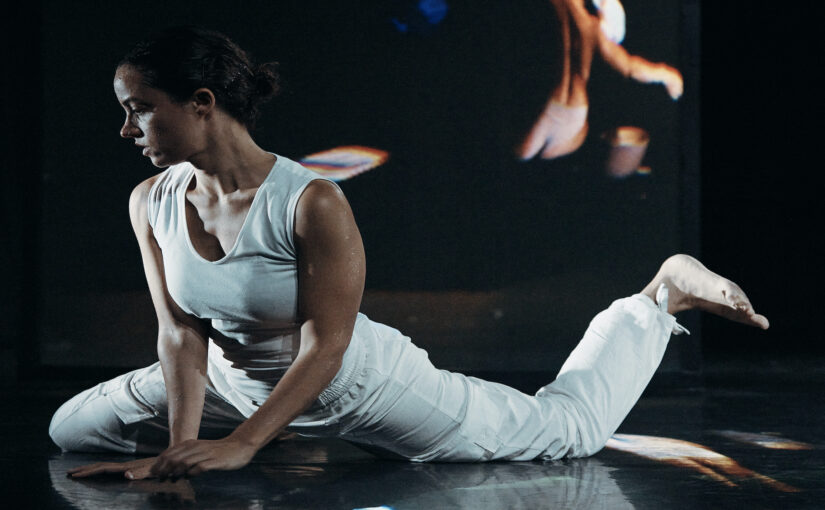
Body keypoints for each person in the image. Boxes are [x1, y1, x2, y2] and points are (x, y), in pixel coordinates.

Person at [52, 26, 768, 481]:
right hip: (234, 386)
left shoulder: (310, 202)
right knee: (69, 431)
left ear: (202, 102)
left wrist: (243, 444)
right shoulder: (151, 199)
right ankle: (250, 429)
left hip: (351, 387)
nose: (125, 129)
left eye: (137, 108)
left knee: (565, 434)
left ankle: (658, 297)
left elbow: (327, 343)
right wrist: (182, 450)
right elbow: (179, 333)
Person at [516, 0, 684, 161]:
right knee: (547, 163)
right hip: (575, 112)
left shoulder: (546, 6)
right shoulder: (592, 26)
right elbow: (630, 67)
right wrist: (667, 75)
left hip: (548, 107)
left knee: (521, 158)